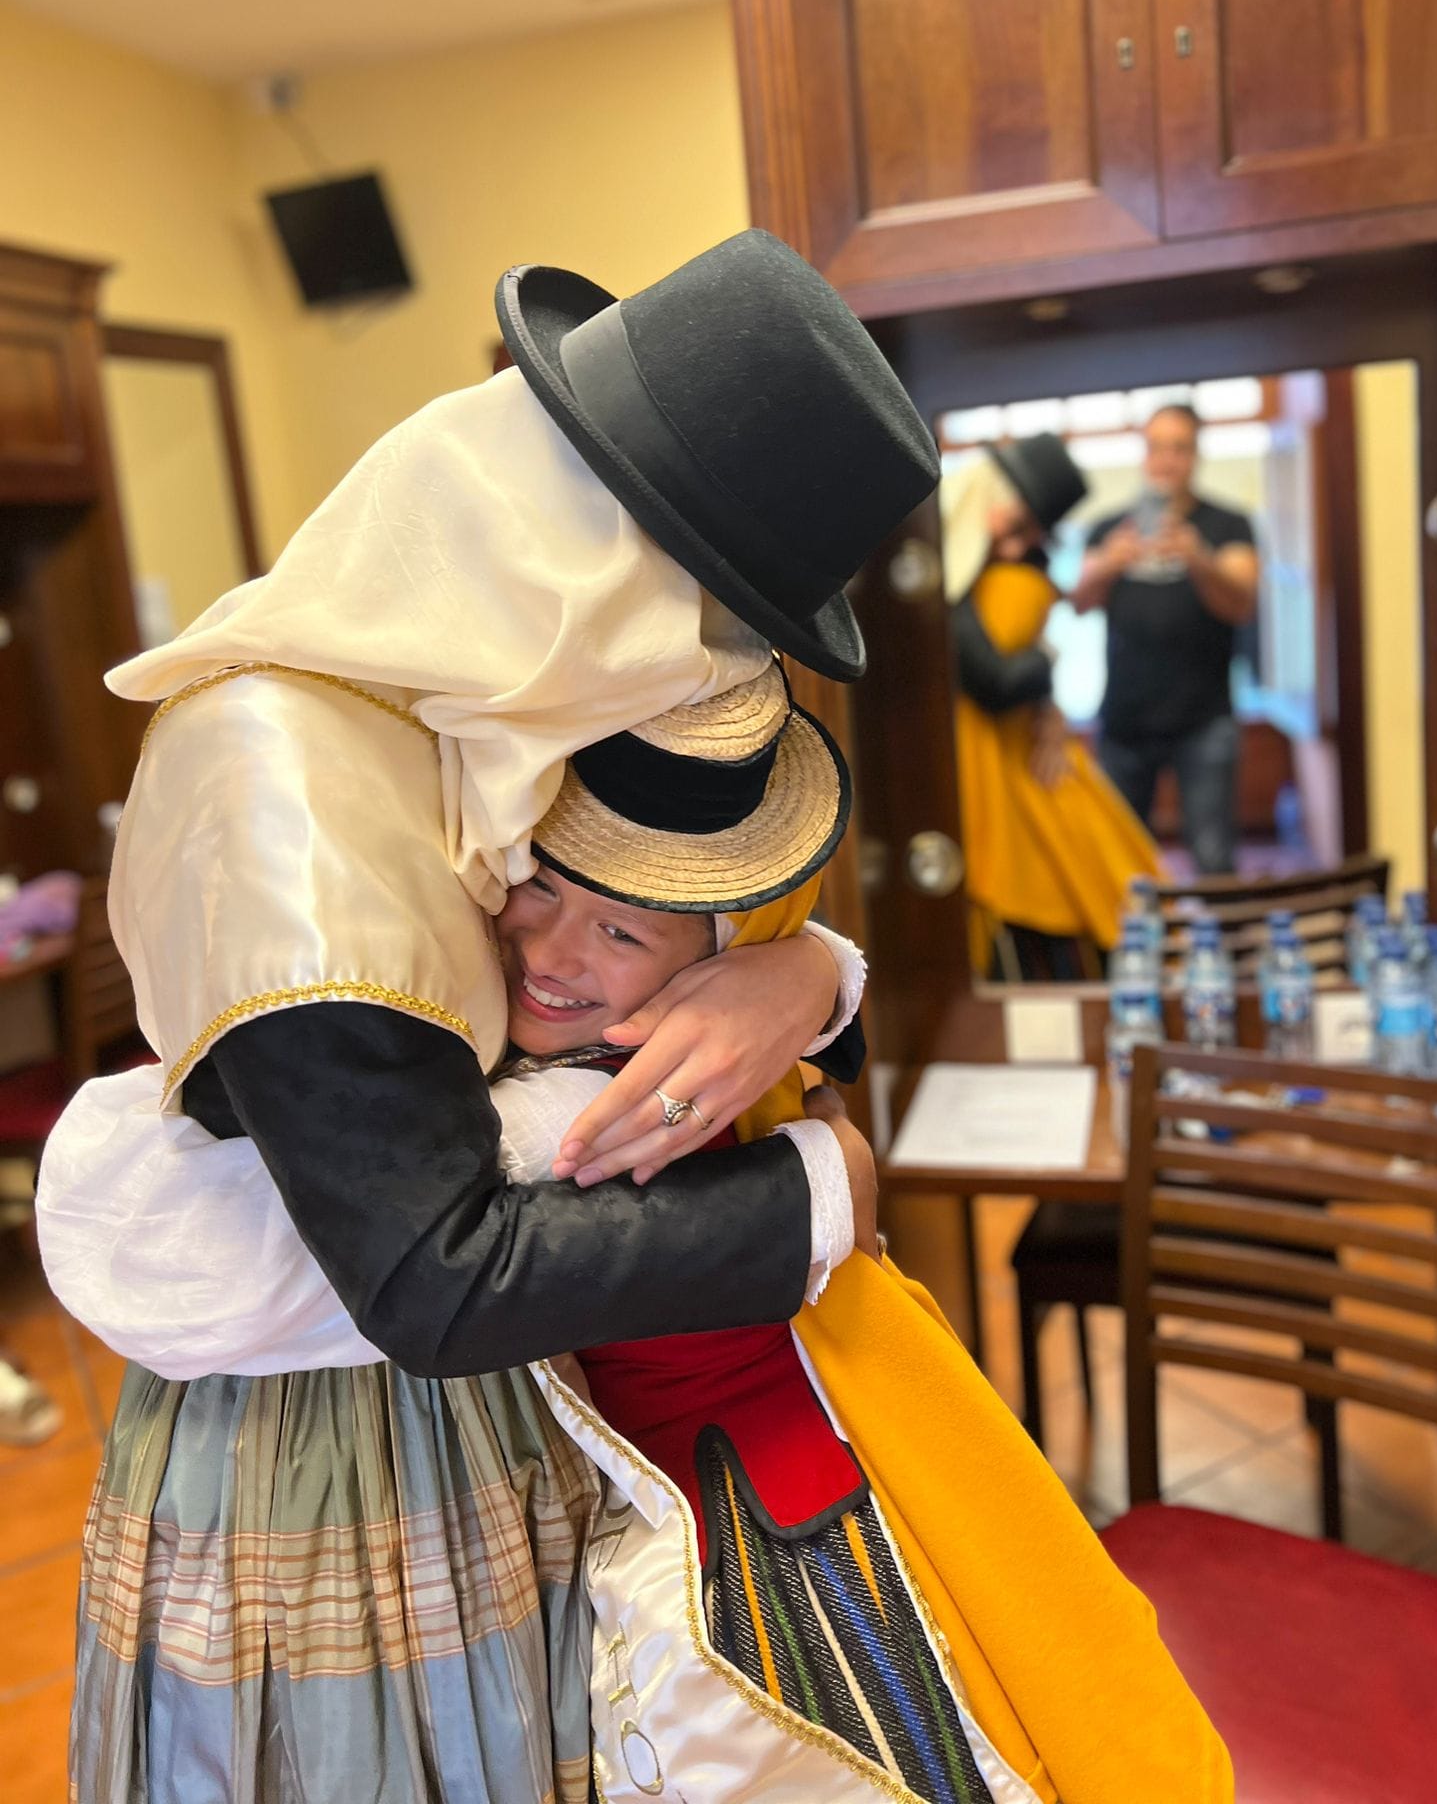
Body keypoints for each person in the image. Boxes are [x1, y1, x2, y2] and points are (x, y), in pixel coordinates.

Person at [39, 228, 941, 1804]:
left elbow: (644, 924)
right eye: (712, 611)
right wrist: (821, 1187)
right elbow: (432, 1279)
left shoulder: (456, 702)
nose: (709, 666)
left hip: (503, 1411)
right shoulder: (283, 776)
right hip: (339, 1453)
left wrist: (803, 973)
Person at [43, 666, 1233, 1804]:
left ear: (707, 958)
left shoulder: (617, 1097)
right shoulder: (499, 1031)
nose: (558, 952)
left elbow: (295, 1249)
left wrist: (808, 1011)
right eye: (540, 888)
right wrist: (813, 981)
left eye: (625, 933)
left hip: (751, 1512)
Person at [943, 438, 1160, 981]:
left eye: (1029, 536)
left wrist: (1044, 689)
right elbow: (996, 679)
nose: (1014, 547)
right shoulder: (961, 576)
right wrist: (1047, 660)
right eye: (1015, 527)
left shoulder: (1006, 577)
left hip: (1004, 750)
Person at [1073, 404, 1260, 876]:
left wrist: (1199, 558)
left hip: (1204, 720)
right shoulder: (1109, 529)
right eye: (1157, 447)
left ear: (1196, 455)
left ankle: (1219, 931)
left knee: (1214, 858)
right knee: (1121, 864)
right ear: (1144, 453)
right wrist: (1110, 562)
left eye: (1179, 448)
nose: (1167, 460)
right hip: (1124, 721)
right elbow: (1079, 602)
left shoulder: (1228, 525)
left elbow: (1241, 603)